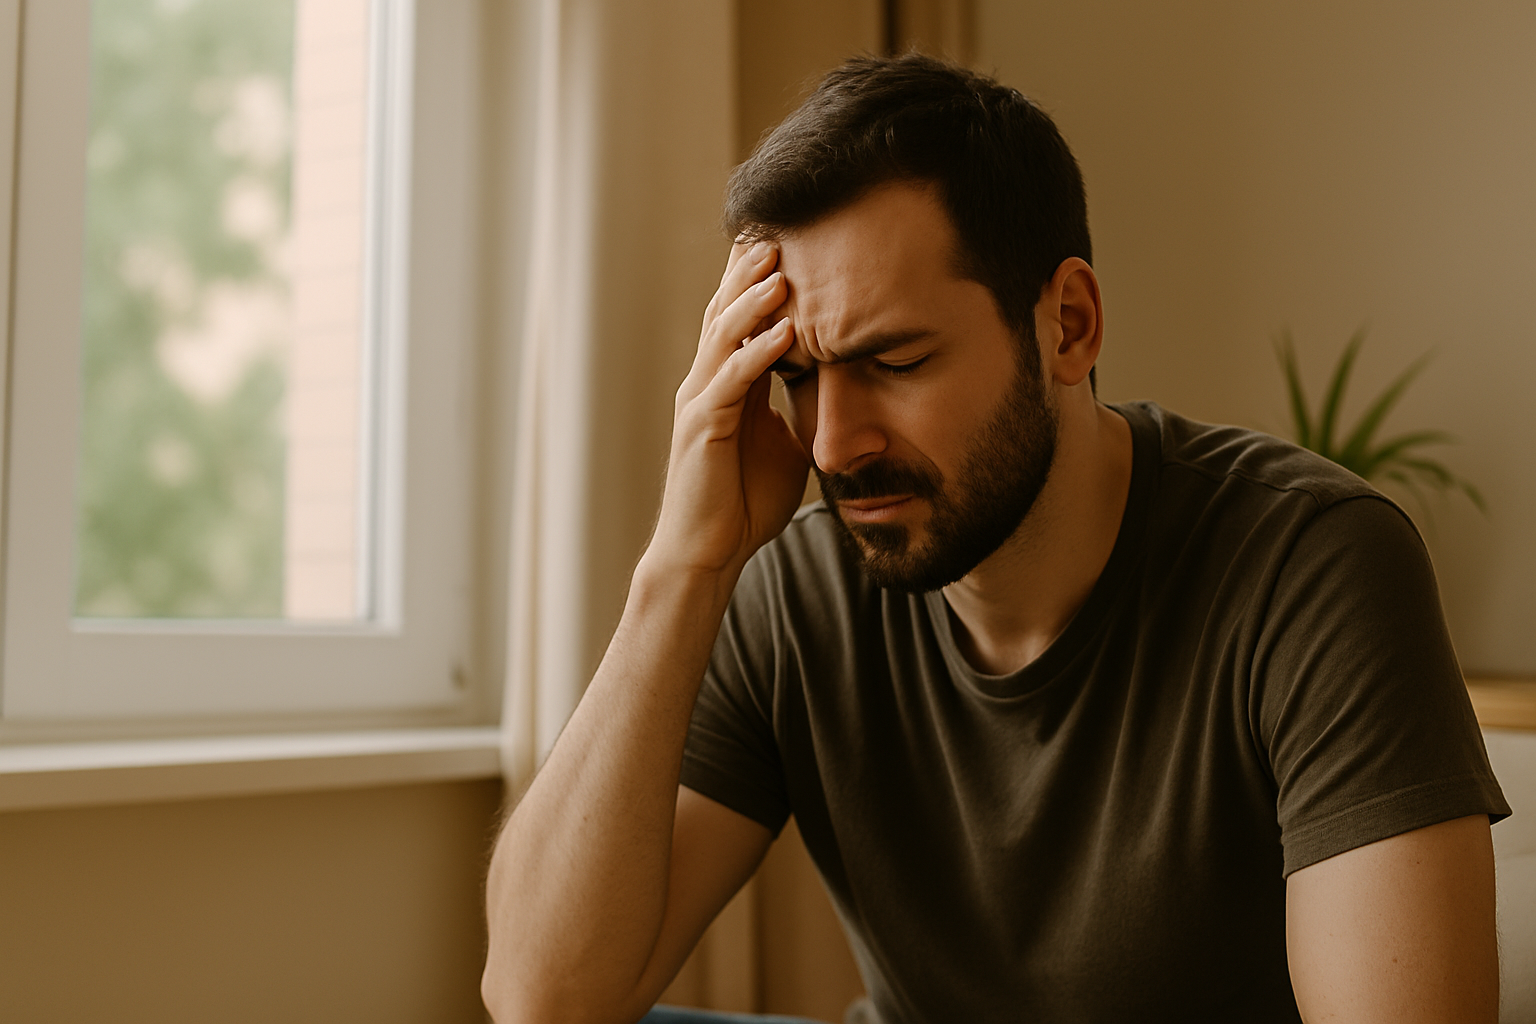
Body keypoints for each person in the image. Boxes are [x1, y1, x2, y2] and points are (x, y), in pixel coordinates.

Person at [481, 54, 1510, 1024]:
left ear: (1068, 325)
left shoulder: (1311, 567)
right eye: (797, 376)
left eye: (895, 361)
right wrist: (683, 566)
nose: (833, 445)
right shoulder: (796, 594)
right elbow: (541, 998)